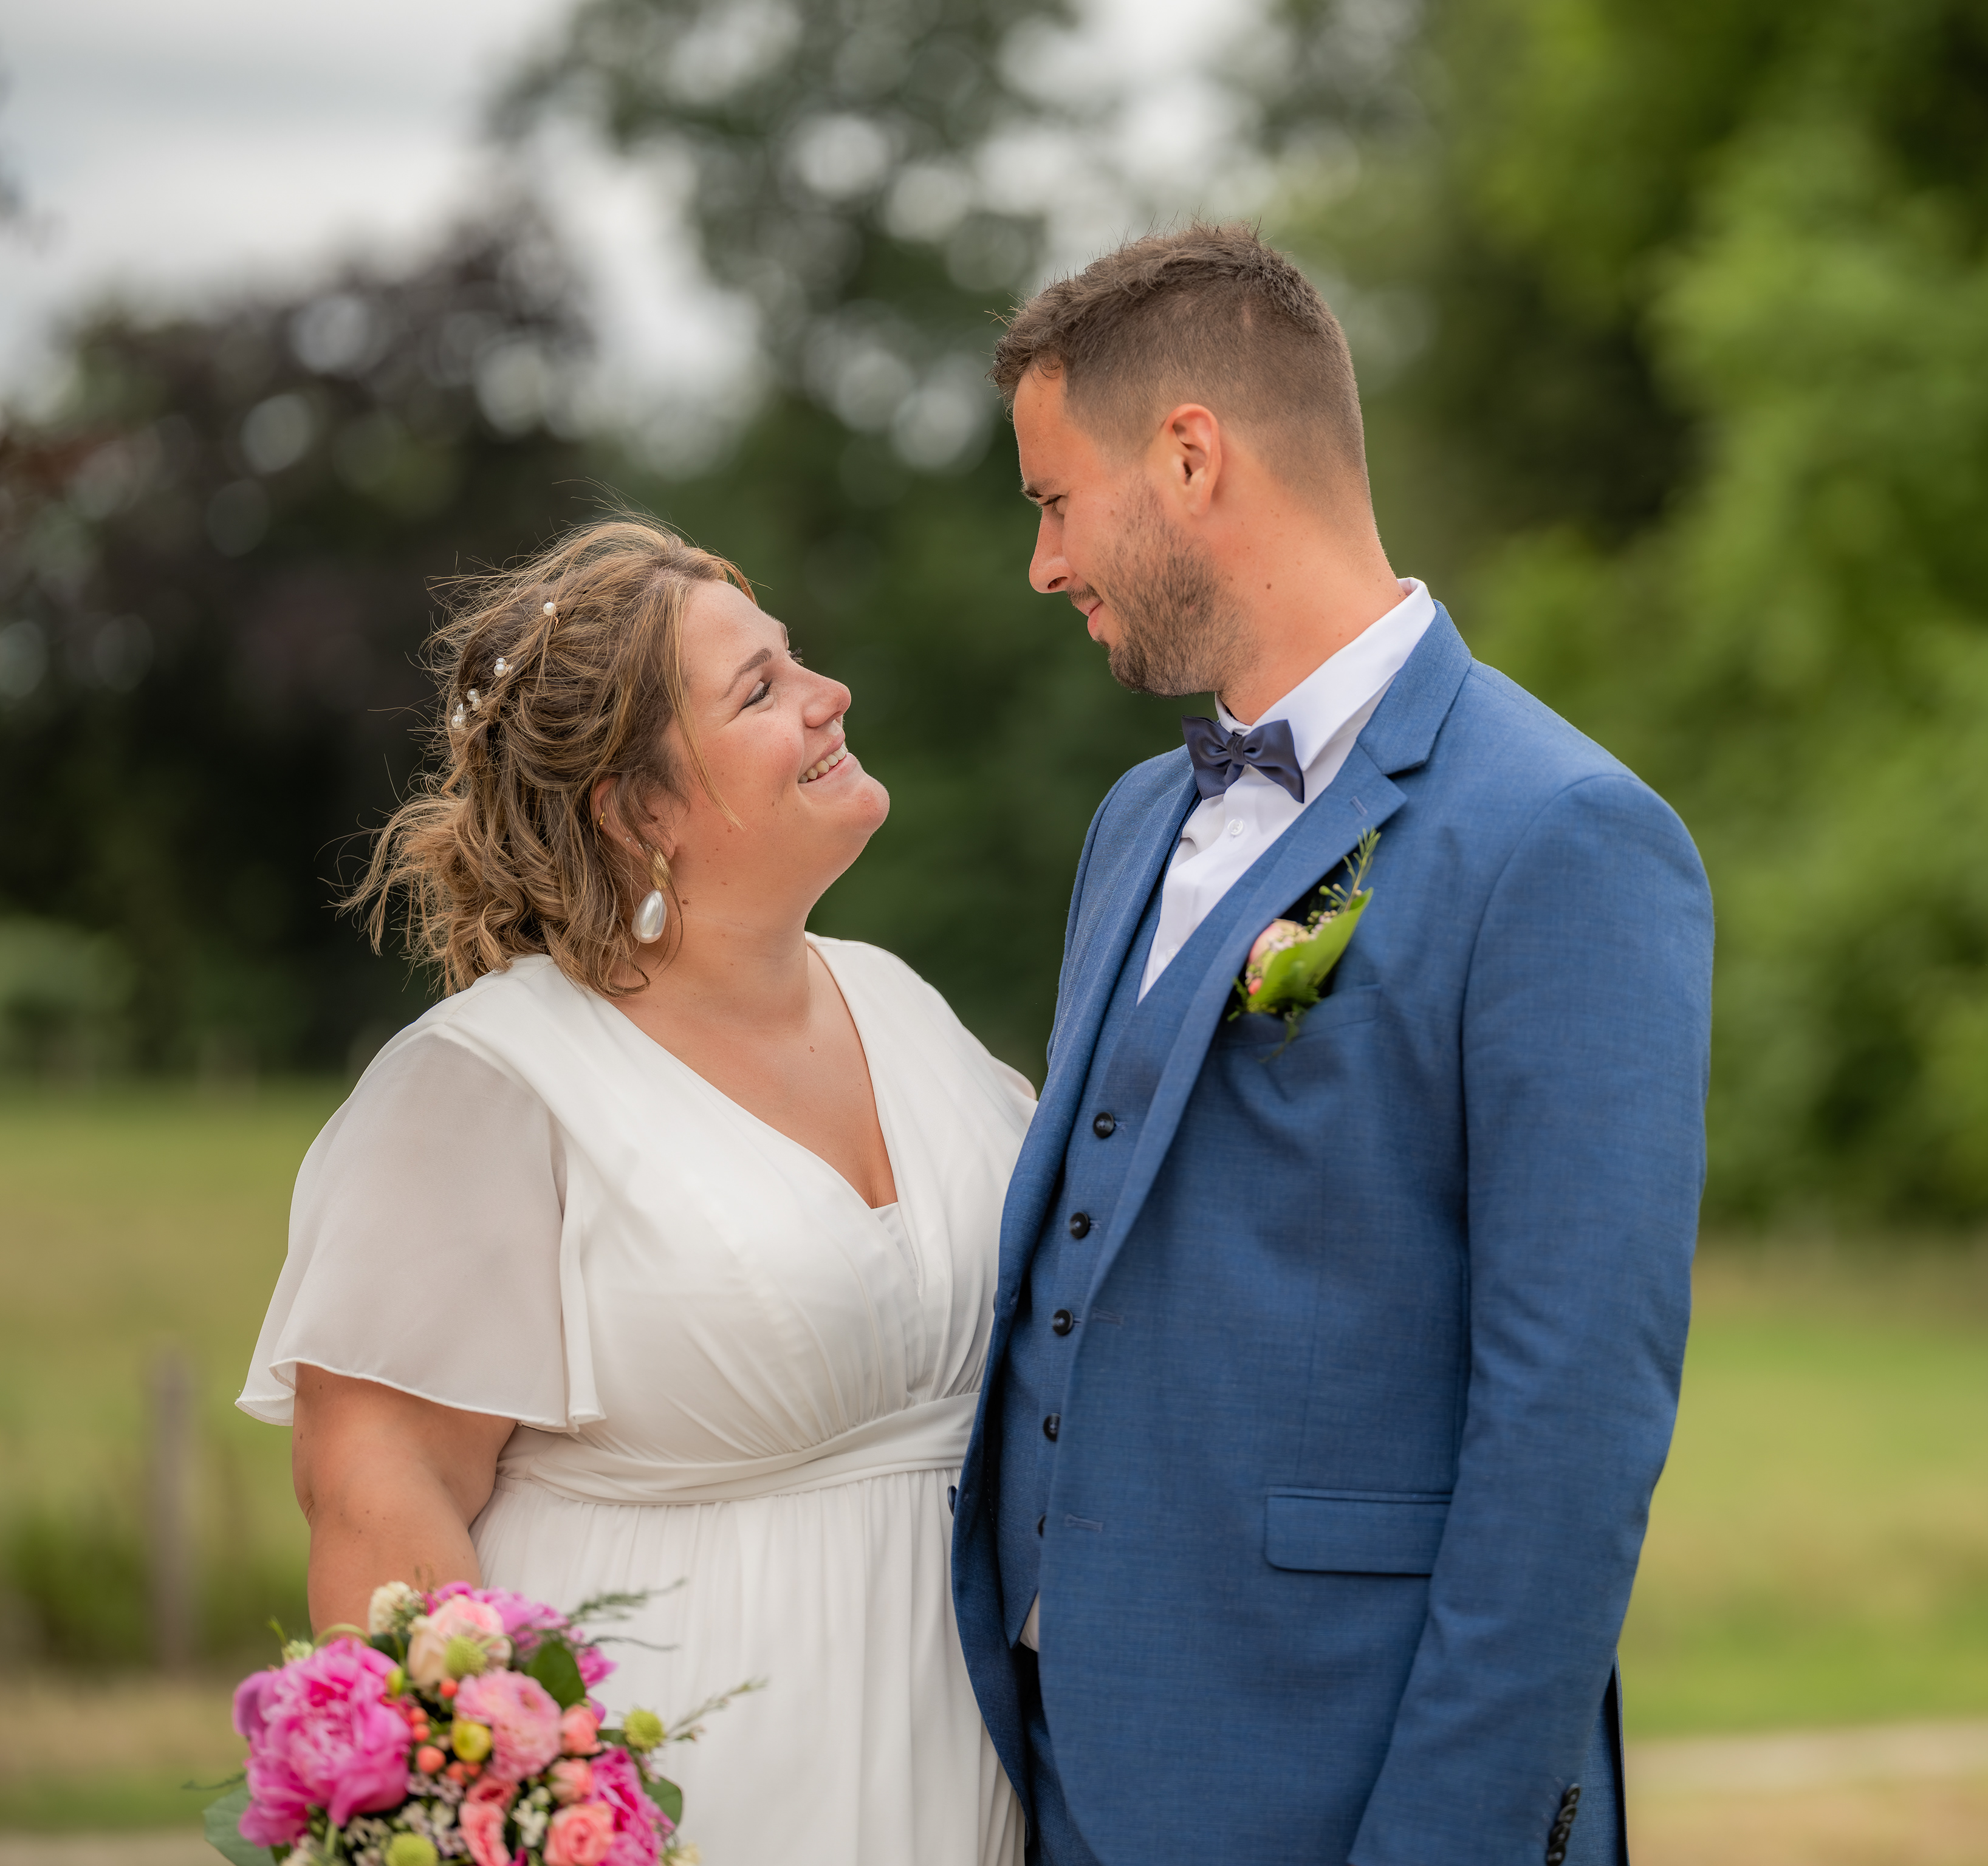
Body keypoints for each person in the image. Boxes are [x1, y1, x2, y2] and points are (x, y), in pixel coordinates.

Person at [951, 225, 1715, 1865]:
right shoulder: (1135, 820)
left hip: (1344, 1778)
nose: (1044, 563)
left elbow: (1573, 1428)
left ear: (1191, 457)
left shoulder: (1563, 833)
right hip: (1065, 1773)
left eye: (1054, 501)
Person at [239, 517, 1030, 1866]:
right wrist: (494, 1818)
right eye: (761, 691)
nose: (829, 695)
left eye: (795, 661)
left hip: (968, 1779)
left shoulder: (907, 1008)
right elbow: (381, 1494)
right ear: (636, 811)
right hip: (682, 1799)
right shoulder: (492, 1082)